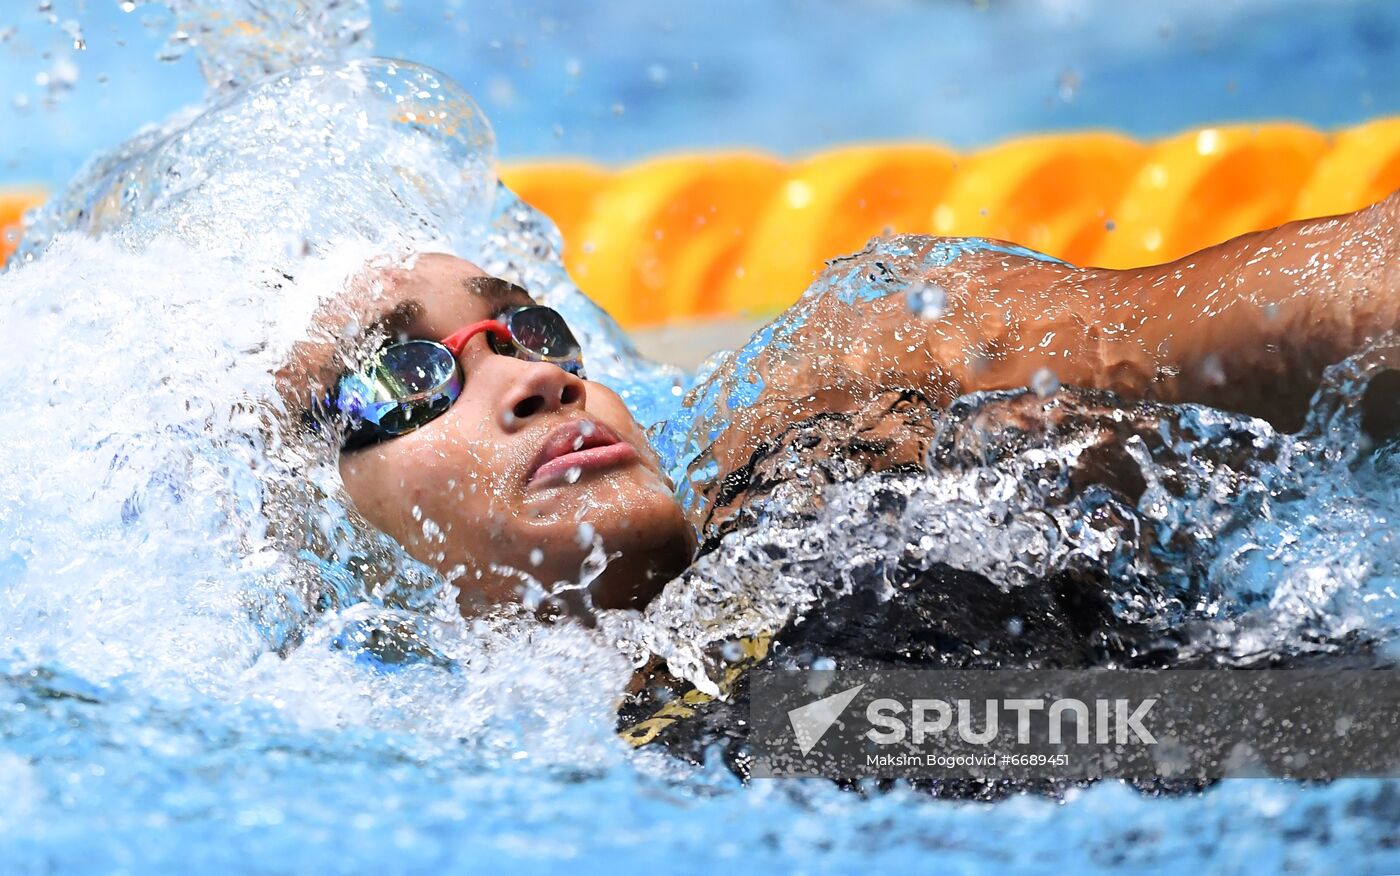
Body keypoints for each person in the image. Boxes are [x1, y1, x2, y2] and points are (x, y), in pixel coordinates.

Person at [278, 190, 1399, 618]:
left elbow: (1296, 312)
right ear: (304, 534)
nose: (533, 377)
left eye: (528, 329)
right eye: (400, 379)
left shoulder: (847, 431)